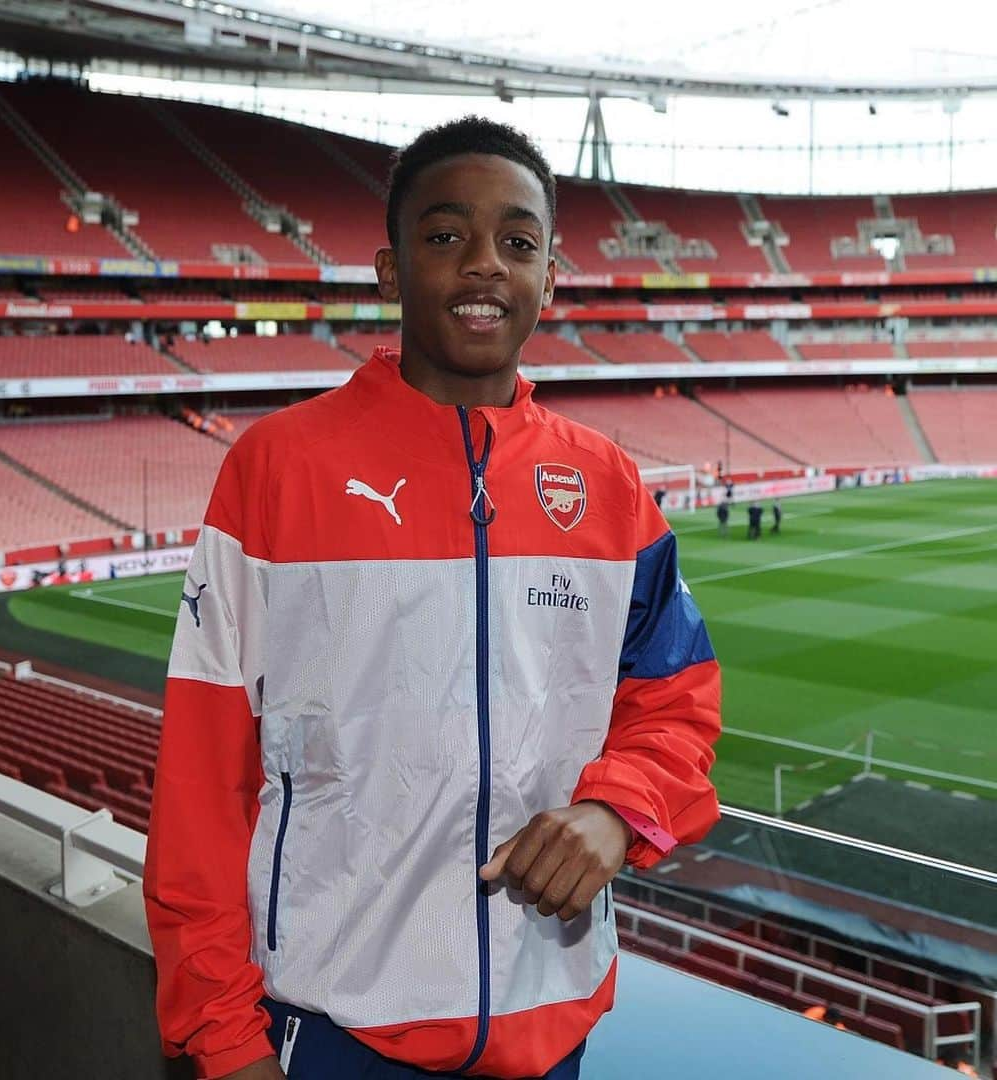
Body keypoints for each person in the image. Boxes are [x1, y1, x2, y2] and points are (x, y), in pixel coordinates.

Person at [144, 116, 722, 1080]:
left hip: (551, 1030)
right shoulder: (275, 471)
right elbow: (203, 784)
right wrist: (222, 1038)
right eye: (447, 236)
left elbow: (678, 703)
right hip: (327, 1033)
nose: (486, 265)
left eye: (519, 242)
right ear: (389, 270)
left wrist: (617, 813)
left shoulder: (612, 488)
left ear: (551, 277)